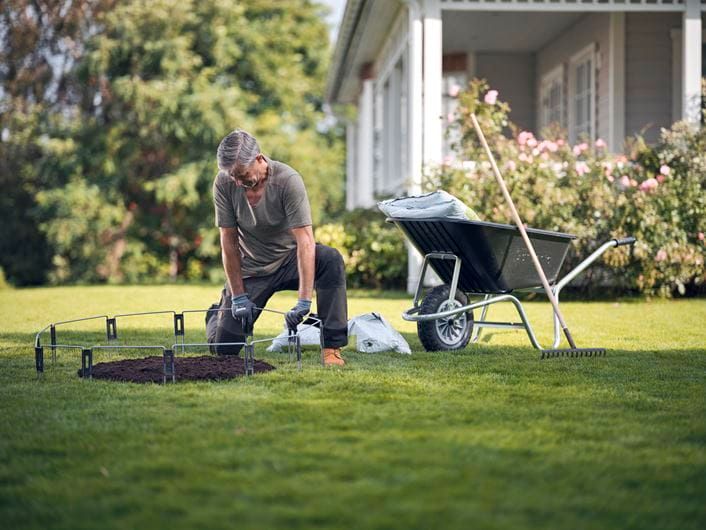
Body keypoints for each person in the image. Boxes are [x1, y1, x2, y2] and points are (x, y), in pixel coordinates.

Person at [206, 129, 348, 366]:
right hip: (252, 268)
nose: (238, 182)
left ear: (259, 159)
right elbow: (228, 241)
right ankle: (216, 313)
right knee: (224, 349)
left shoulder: (287, 181)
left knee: (330, 259)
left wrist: (304, 302)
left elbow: (305, 241)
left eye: (242, 175)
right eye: (233, 177)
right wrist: (239, 297)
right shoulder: (224, 183)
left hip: (289, 260)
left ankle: (332, 348)